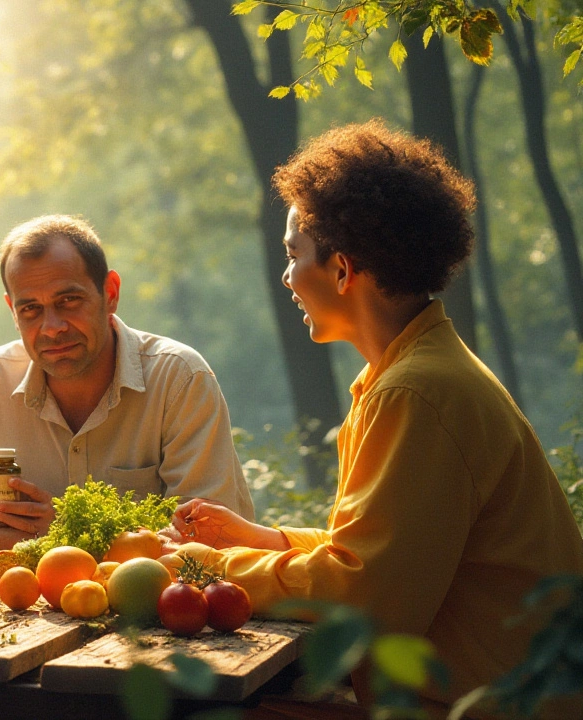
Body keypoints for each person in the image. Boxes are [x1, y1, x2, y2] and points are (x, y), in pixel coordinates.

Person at [166, 121, 583, 715]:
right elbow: (385, 553)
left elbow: (365, 598)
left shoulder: (418, 391)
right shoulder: (410, 373)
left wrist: (210, 568)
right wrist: (267, 541)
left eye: (293, 255)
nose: (286, 277)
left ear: (341, 269)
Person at [0, 214, 255, 552]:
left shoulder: (179, 379)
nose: (52, 326)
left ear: (111, 293)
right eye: (31, 309)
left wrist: (66, 532)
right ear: (12, 311)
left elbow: (209, 541)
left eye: (68, 301)